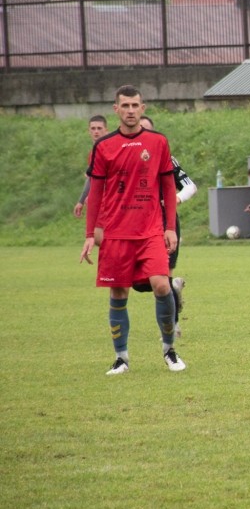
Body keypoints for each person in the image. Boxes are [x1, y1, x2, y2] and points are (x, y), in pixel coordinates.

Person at [79, 84, 185, 374]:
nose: (130, 110)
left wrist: (170, 228)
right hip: (116, 233)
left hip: (150, 230)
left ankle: (170, 351)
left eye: (135, 105)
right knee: (118, 294)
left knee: (161, 284)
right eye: (124, 106)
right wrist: (89, 234)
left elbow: (168, 186)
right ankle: (121, 358)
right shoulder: (104, 146)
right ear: (116, 109)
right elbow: (95, 194)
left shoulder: (158, 142)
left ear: (143, 108)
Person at [135, 114, 197, 337]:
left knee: (162, 275)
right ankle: (174, 289)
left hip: (164, 223)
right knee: (139, 282)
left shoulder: (166, 159)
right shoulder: (124, 157)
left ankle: (172, 326)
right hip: (136, 224)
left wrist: (175, 199)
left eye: (147, 130)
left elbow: (190, 186)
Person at [73, 115, 108, 218]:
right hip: (97, 202)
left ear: (106, 130)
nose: (96, 131)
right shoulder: (93, 153)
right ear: (89, 131)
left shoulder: (110, 150)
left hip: (109, 202)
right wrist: (81, 201)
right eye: (93, 128)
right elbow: (91, 178)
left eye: (99, 128)